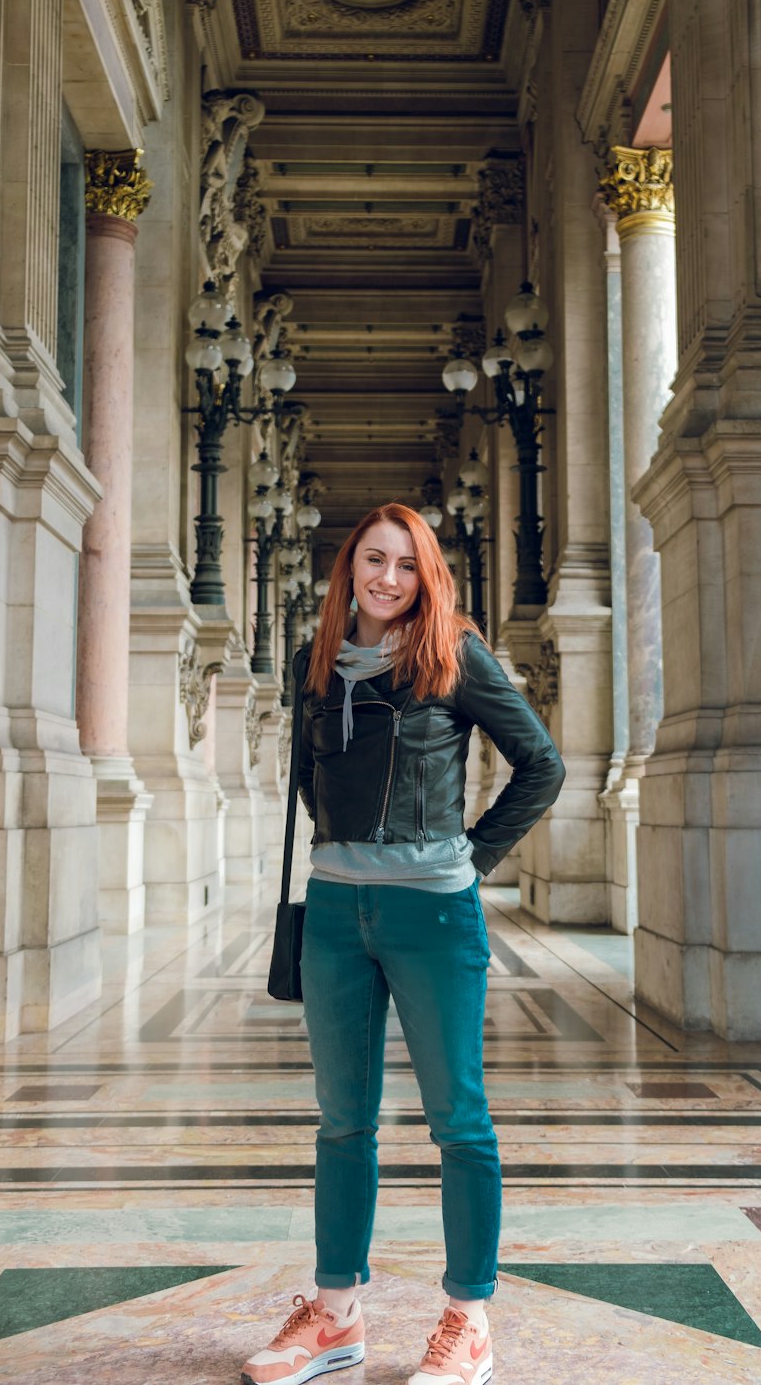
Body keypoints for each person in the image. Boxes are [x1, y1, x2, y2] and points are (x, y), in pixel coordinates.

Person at [242, 502, 565, 1385]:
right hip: (338, 912)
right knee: (343, 1122)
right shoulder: (319, 667)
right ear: (348, 569)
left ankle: (468, 1319)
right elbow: (313, 782)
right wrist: (349, 855)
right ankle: (335, 1315)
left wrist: (471, 858)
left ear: (428, 576)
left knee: (459, 1121)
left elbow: (542, 764)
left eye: (406, 565)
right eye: (372, 561)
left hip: (433, 913)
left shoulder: (455, 654)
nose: (387, 578)